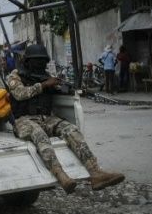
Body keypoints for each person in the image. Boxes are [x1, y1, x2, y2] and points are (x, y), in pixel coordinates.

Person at [7, 44, 125, 194]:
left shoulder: (45, 74)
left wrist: (59, 87)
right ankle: (61, 175)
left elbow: (54, 91)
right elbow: (20, 94)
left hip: (46, 117)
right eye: (37, 60)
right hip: (23, 120)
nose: (40, 64)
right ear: (28, 61)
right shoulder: (15, 75)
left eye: (42, 61)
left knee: (71, 130)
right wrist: (43, 85)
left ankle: (96, 173)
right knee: (40, 136)